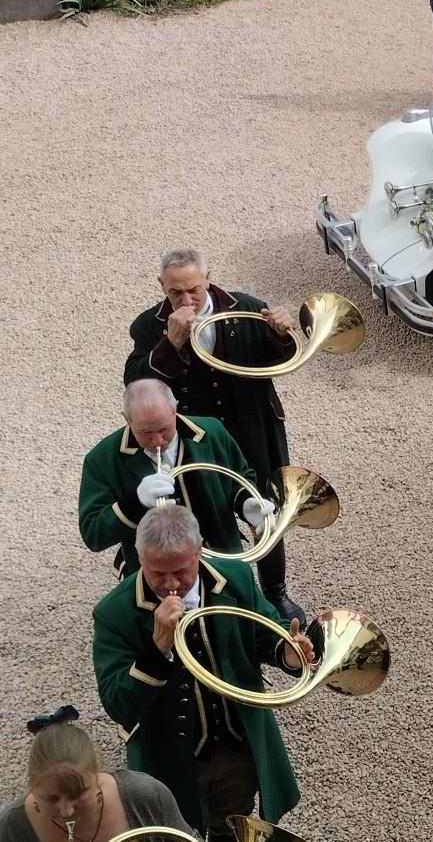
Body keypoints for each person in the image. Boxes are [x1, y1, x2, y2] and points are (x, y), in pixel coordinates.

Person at [92, 505, 314, 841]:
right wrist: (157, 651)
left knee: (233, 825)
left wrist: (287, 652)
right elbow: (117, 705)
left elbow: (265, 633)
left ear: (199, 552)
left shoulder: (235, 577)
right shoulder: (114, 613)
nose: (171, 585)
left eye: (181, 571)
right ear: (139, 558)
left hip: (235, 746)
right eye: (157, 574)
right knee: (174, 832)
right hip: (169, 758)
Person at [123, 249, 302, 623]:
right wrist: (170, 345)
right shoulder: (148, 326)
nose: (186, 300)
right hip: (197, 440)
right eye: (175, 293)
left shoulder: (245, 308)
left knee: (265, 508)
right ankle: (220, 592)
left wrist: (282, 334)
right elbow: (137, 383)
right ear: (162, 287)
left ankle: (275, 593)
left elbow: (281, 360)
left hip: (253, 429)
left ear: (208, 278)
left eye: (193, 289)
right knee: (204, 512)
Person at [79, 379, 273, 579]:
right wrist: (134, 503)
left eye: (164, 429)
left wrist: (246, 503)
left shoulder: (212, 431)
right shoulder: (102, 459)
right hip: (157, 578)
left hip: (222, 563)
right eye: (145, 433)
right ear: (127, 419)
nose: (157, 441)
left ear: (175, 410)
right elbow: (93, 533)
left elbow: (239, 477)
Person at [1, 716, 193, 842]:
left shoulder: (144, 795)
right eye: (52, 798)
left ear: (97, 775)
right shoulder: (10, 828)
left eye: (77, 794)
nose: (67, 811)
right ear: (32, 787)